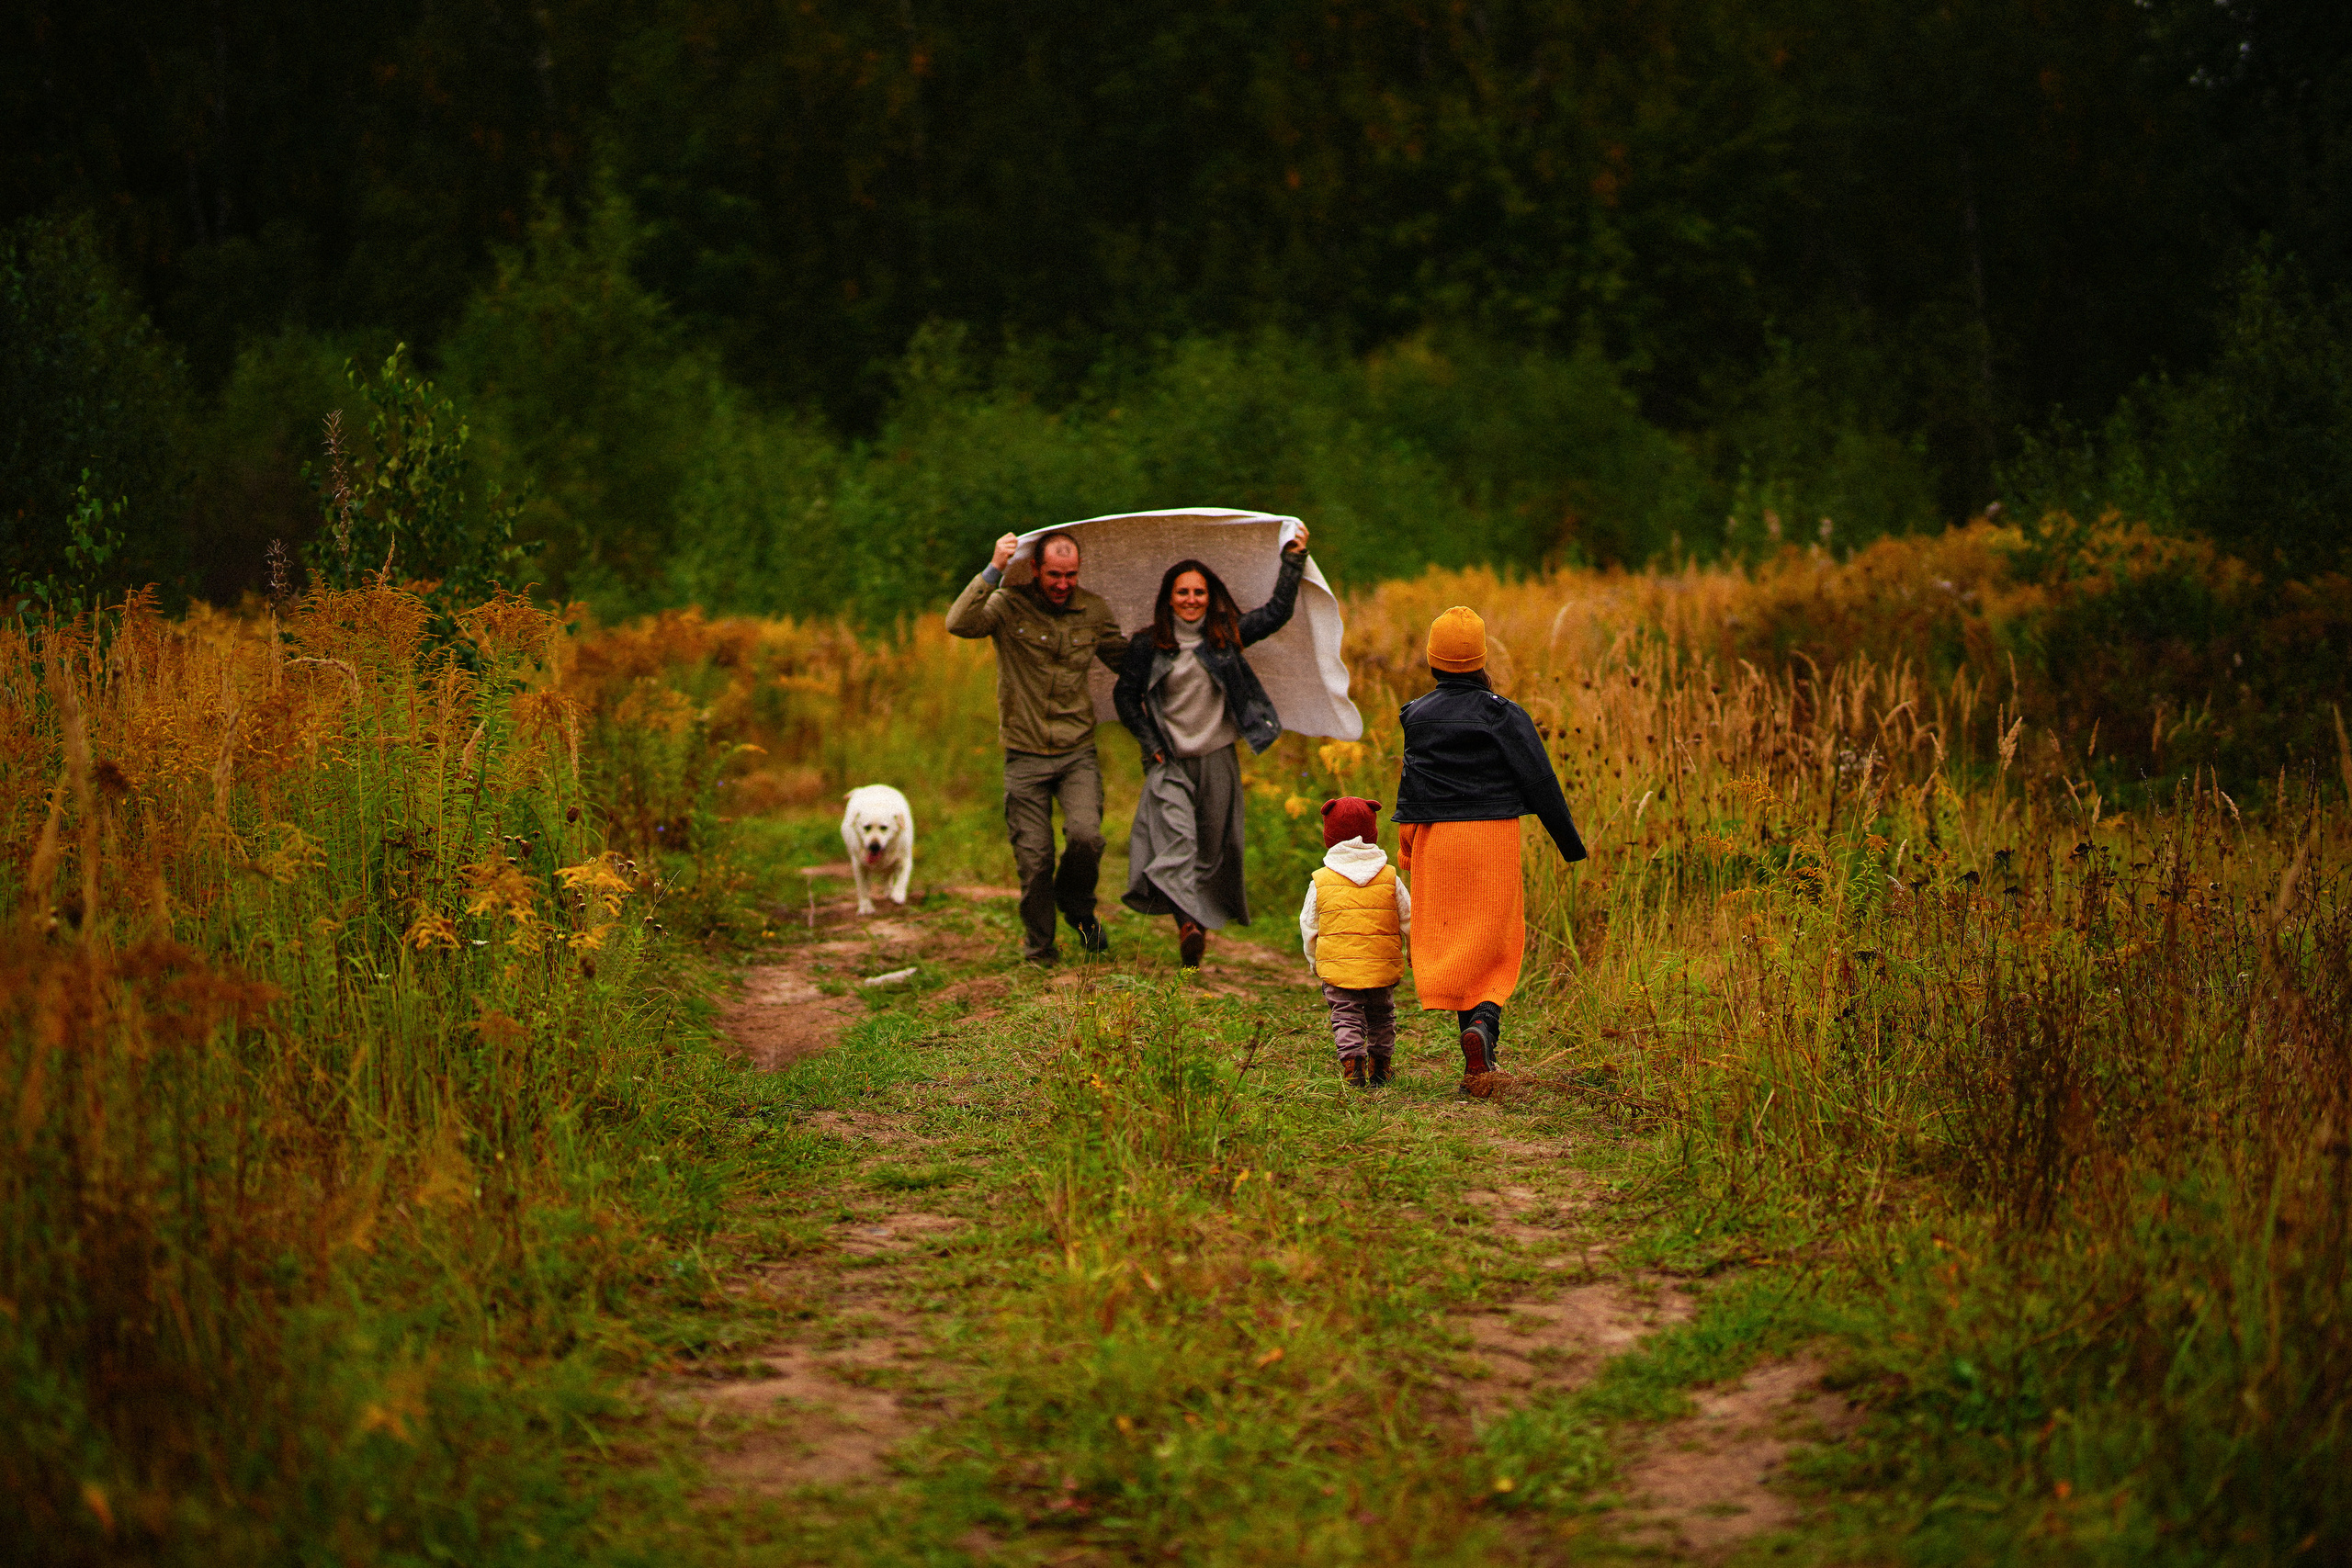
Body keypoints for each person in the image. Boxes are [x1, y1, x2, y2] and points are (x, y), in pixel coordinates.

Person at [1392, 605, 1587, 1093]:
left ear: (1433, 659)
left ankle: (1478, 1054)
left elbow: (1412, 786)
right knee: (1494, 943)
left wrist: (1409, 848)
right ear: (1480, 658)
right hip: (1491, 838)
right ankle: (1483, 1026)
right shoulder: (1502, 713)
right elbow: (1539, 779)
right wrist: (1570, 844)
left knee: (1457, 941)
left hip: (1437, 838)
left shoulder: (1414, 715)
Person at [1113, 528, 1310, 967]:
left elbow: (1277, 613)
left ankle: (1194, 922)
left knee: (1211, 848)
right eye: (1182, 592)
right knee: (1178, 841)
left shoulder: (1225, 636)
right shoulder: (1148, 644)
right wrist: (1150, 744)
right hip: (1170, 760)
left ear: (1209, 595)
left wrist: (1293, 560)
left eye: (1199, 592)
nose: (1191, 599)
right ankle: (1189, 925)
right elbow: (1125, 697)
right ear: (1168, 597)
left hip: (1218, 755)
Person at [946, 529, 1125, 964]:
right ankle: (1039, 948)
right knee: (1034, 858)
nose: (1063, 584)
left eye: (1071, 575)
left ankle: (1078, 907)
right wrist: (994, 568)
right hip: (1024, 754)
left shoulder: (1094, 610)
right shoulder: (1007, 605)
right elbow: (959, 623)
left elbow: (1127, 662)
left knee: (1087, 837)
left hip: (1076, 750)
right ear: (1034, 569)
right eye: (1054, 575)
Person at [1299, 795, 1412, 1087]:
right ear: (1372, 832)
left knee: (1346, 1015)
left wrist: (1315, 961)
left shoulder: (1321, 880)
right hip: (1381, 965)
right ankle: (1382, 1066)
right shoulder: (1389, 877)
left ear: (1329, 836)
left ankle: (1353, 1063)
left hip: (1338, 966)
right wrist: (1413, 952)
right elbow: (1408, 918)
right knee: (1382, 1015)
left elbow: (1310, 926)